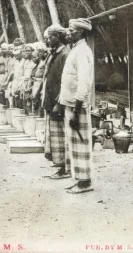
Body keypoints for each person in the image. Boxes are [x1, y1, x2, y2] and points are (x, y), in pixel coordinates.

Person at [59, 18, 94, 194]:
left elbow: (84, 82)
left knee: (81, 142)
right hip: (70, 103)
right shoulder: (76, 49)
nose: (68, 33)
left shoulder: (82, 52)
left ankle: (85, 181)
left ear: (80, 33)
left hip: (77, 104)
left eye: (71, 31)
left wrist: (77, 108)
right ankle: (79, 177)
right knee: (74, 143)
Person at [42, 24, 70, 178]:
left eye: (50, 37)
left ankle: (64, 168)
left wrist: (59, 103)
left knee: (61, 136)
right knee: (55, 135)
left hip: (58, 102)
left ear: (57, 37)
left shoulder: (65, 54)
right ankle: (60, 165)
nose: (48, 40)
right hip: (51, 100)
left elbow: (65, 81)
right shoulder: (54, 53)